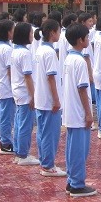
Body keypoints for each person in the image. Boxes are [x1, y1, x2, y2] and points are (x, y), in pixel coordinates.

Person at [62, 23, 97, 197]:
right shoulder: (79, 61)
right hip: (78, 113)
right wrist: (88, 113)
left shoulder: (69, 59)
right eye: (87, 37)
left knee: (72, 148)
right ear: (80, 40)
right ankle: (77, 183)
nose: (88, 40)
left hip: (71, 111)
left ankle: (71, 180)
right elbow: (82, 89)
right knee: (79, 150)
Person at [33, 19, 66, 176]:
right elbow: (51, 77)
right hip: (48, 99)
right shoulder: (49, 52)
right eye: (58, 31)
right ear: (53, 32)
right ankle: (48, 165)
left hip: (41, 98)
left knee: (42, 132)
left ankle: (44, 161)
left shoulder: (40, 50)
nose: (60, 34)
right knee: (50, 134)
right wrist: (56, 99)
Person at [10, 22, 39, 166]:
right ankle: (22, 154)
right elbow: (28, 76)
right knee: (25, 124)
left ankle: (18, 151)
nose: (32, 35)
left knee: (19, 122)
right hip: (25, 92)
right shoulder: (25, 53)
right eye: (30, 33)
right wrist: (33, 96)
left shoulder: (15, 51)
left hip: (18, 91)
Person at [0, 19, 15, 155]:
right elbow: (9, 71)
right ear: (8, 32)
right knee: (6, 116)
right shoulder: (6, 49)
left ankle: (4, 138)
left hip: (1, 85)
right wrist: (15, 86)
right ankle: (6, 143)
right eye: (13, 30)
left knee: (4, 114)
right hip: (6, 86)